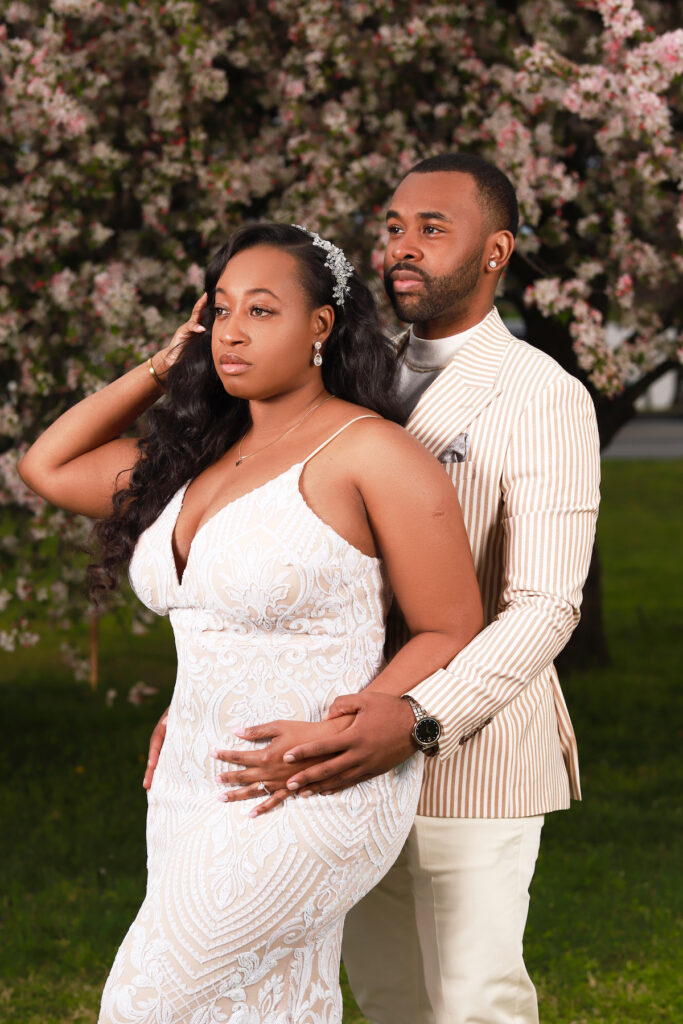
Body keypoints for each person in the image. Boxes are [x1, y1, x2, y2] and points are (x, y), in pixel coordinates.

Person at [152, 157, 601, 1024]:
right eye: (394, 226)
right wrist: (207, 693)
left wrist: (421, 717)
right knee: (387, 996)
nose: (403, 247)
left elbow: (546, 605)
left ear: (495, 250)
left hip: (470, 749)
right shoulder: (349, 370)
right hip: (328, 741)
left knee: (473, 1002)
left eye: (433, 229)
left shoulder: (543, 396)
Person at [18, 222, 483, 1024]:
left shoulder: (368, 453)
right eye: (220, 311)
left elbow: (450, 625)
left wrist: (359, 724)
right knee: (267, 1007)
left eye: (261, 311)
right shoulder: (191, 460)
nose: (231, 330)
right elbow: (46, 466)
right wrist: (165, 367)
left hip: (311, 783)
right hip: (192, 783)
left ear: (320, 328)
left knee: (145, 1004)